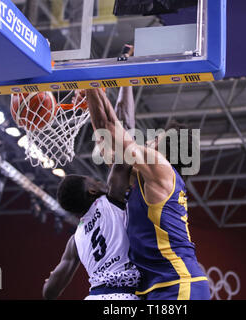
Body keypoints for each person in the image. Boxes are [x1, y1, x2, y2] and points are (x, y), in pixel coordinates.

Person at [84, 88, 210, 300]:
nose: (149, 141)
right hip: (157, 287)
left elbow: (111, 129)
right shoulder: (144, 178)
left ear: (167, 153)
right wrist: (92, 91)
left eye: (155, 140)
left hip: (178, 282)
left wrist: (90, 83)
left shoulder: (162, 169)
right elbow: (105, 140)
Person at [42, 85, 140, 300]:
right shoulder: (112, 200)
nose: (97, 179)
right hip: (124, 297)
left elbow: (49, 292)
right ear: (93, 190)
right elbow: (121, 130)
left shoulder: (75, 240)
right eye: (93, 180)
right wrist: (93, 89)